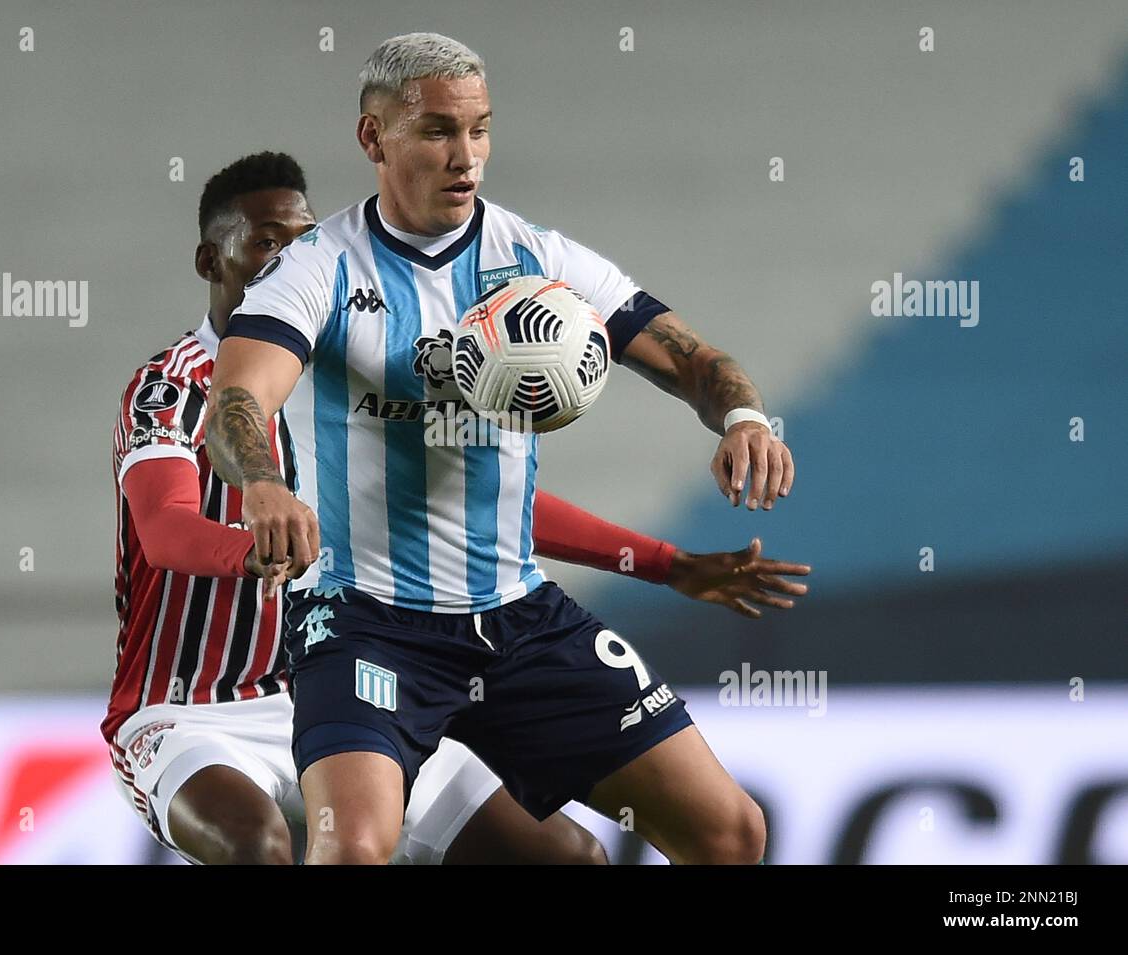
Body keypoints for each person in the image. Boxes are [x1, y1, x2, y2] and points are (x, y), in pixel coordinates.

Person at [205, 33, 807, 865]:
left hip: (517, 619)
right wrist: (265, 483)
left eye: (480, 130)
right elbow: (237, 396)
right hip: (364, 625)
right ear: (373, 139)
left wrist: (745, 420)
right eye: (439, 132)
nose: (466, 157)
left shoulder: (538, 263)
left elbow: (698, 360)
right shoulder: (318, 269)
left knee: (731, 831)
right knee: (353, 851)